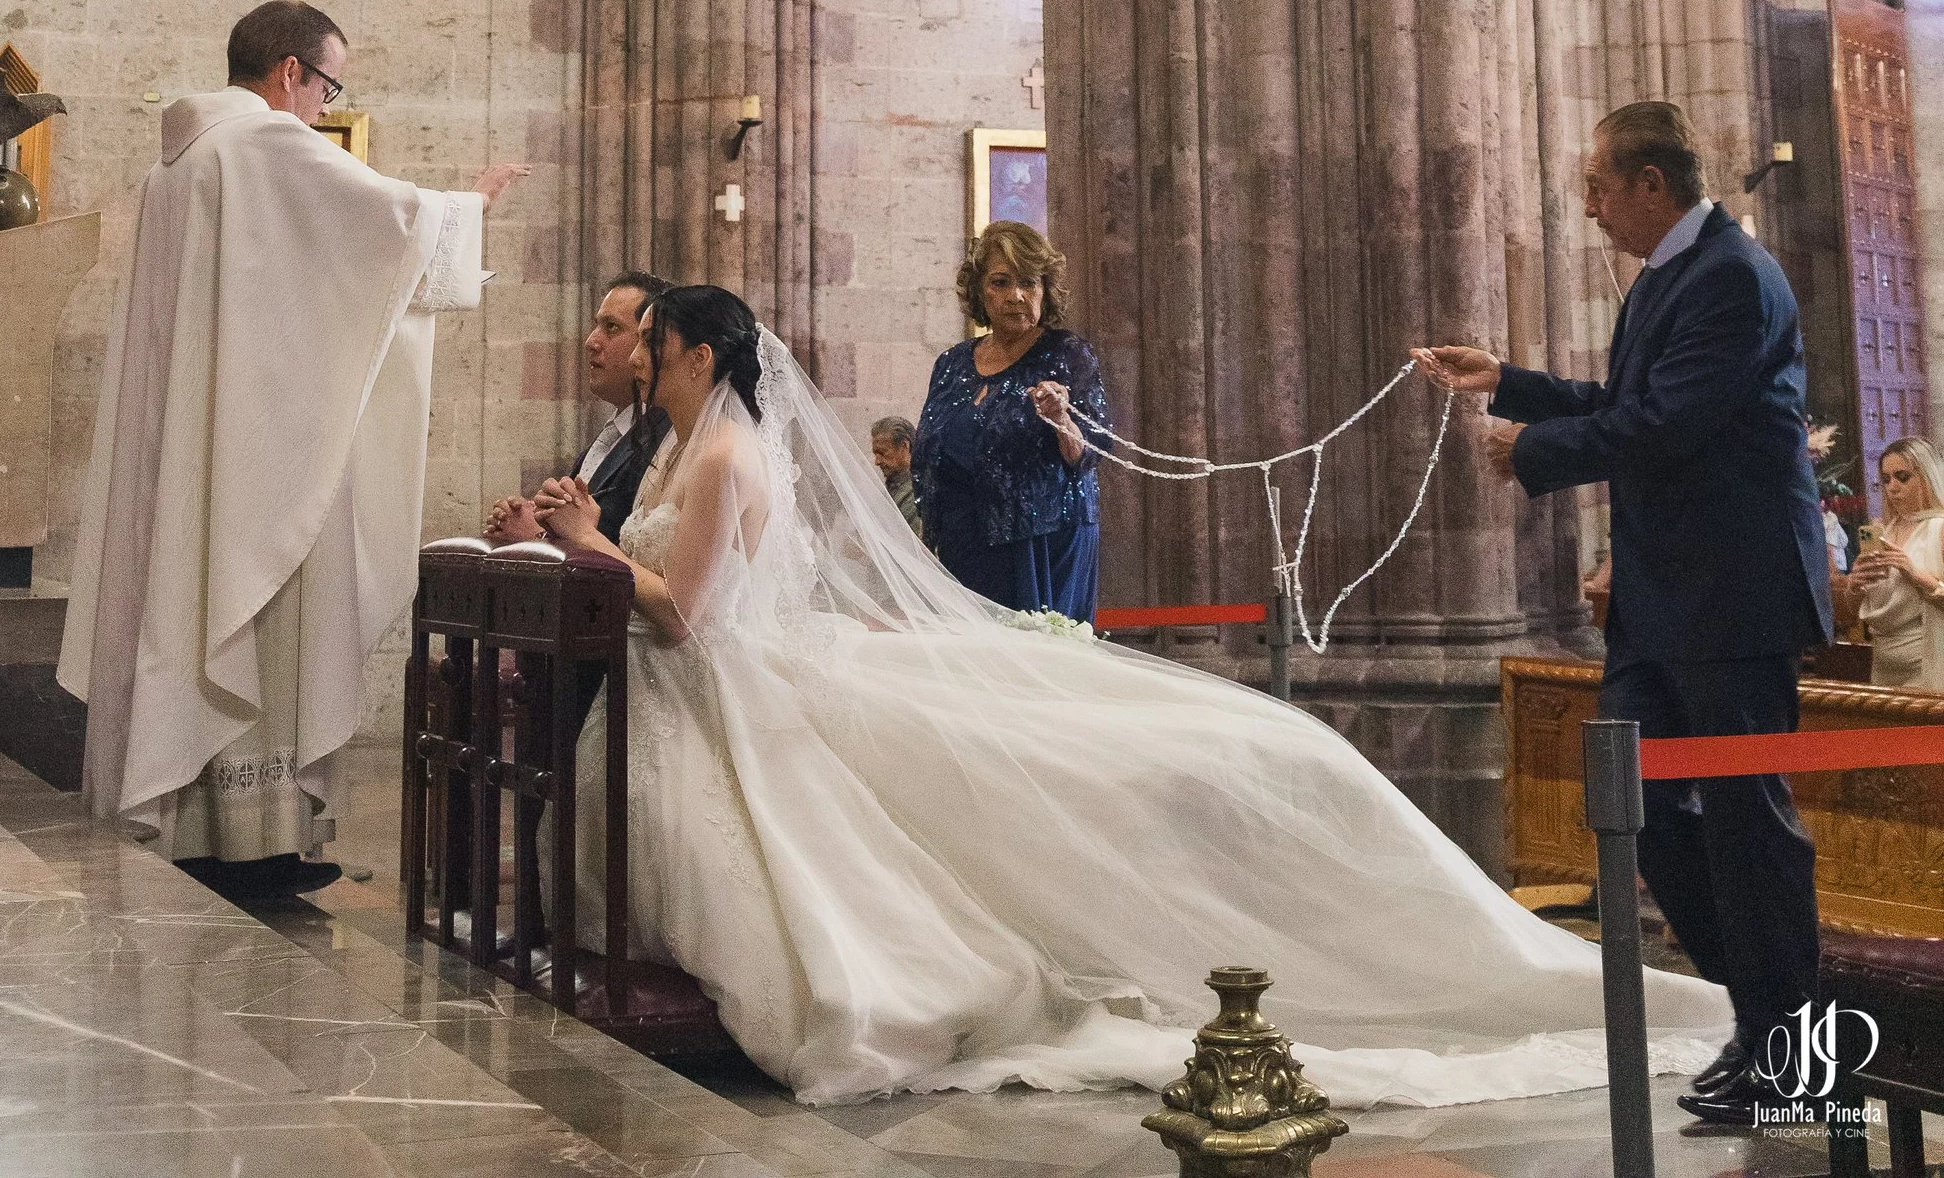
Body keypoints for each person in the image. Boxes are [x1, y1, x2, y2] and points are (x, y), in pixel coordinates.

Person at [532, 283, 1722, 1110]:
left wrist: (587, 543)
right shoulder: (686, 445)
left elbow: (683, 608)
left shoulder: (730, 453)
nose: (631, 353)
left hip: (720, 670)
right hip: (707, 679)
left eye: (649, 339)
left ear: (694, 355)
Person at [1417, 96, 1830, 1134]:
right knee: (1636, 811)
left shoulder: (1733, 276)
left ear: (1653, 185)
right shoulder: (1671, 275)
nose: (1591, 208)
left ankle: (1794, 1055)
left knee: (1745, 827)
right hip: (1663, 599)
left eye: (1600, 186)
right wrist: (1507, 381)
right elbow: (1622, 396)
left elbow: (1666, 422)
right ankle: (1763, 1023)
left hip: (1729, 594)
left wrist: (1534, 453)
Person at [61, 0, 523, 878]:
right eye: (328, 85)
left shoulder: (179, 164)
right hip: (253, 462)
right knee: (260, 614)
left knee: (189, 603)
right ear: (289, 73)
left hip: (198, 443)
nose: (324, 104)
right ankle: (255, 842)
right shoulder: (264, 144)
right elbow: (387, 226)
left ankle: (196, 819)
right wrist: (472, 203)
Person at [912, 219, 1103, 614]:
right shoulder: (951, 363)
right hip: (963, 544)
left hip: (1041, 544)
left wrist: (1062, 421)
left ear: (1045, 291)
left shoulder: (1067, 354)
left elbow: (1090, 453)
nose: (1016, 295)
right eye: (1000, 282)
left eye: (1029, 283)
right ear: (980, 292)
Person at [488, 270, 665, 546]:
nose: (591, 342)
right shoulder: (613, 432)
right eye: (597, 326)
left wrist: (537, 537)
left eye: (612, 328)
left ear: (650, 341)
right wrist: (533, 518)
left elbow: (624, 553)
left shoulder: (662, 437)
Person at [1848, 437, 1944, 686]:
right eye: (1886, 479)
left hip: (1928, 662)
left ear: (1926, 476)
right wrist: (1855, 585)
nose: (1893, 487)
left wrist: (1914, 572)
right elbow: (1854, 610)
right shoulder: (1884, 532)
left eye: (1902, 477)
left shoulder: (1940, 527)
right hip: (1883, 663)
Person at [871, 414, 922, 537]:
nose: (877, 462)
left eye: (882, 453)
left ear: (905, 446)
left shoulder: (919, 490)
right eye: (875, 454)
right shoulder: (893, 487)